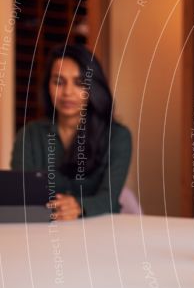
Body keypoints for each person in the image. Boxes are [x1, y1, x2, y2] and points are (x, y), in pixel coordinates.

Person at [11, 45, 132, 220]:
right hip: (42, 231)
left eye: (79, 83)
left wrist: (79, 206)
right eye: (58, 82)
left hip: (99, 231)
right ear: (48, 86)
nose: (67, 92)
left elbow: (109, 198)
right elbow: (22, 195)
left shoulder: (117, 137)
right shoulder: (29, 135)